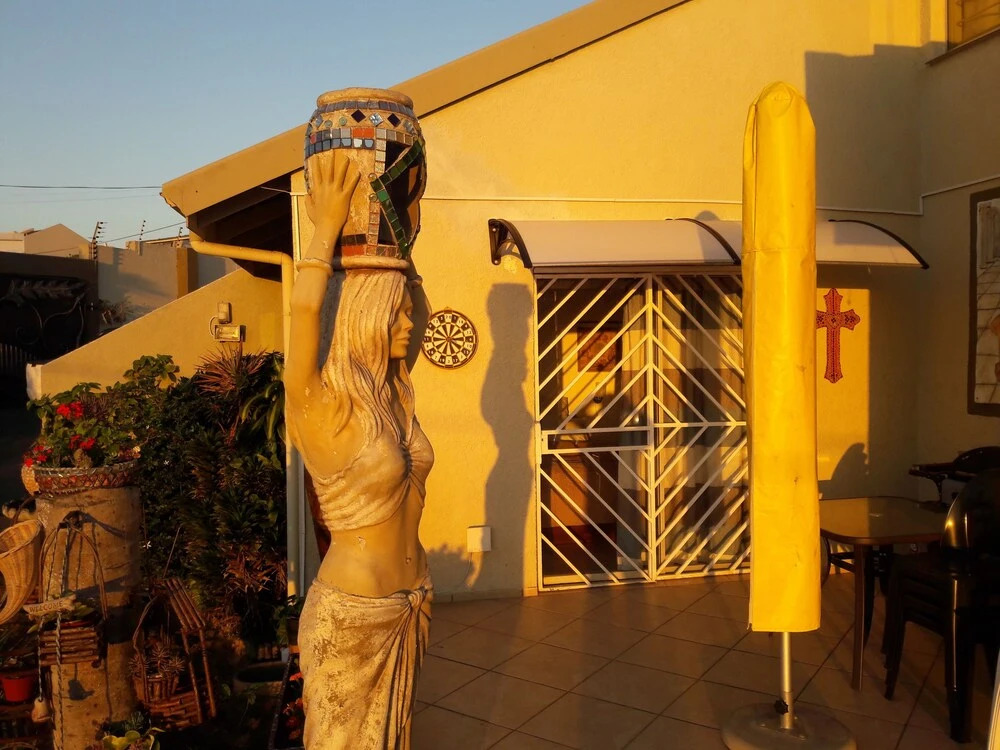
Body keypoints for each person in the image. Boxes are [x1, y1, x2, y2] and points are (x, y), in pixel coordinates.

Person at [284, 148, 434, 750]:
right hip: (352, 616)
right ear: (364, 321)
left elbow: (421, 313)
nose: (408, 326)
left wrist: (402, 245)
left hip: (411, 601)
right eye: (394, 317)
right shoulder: (322, 407)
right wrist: (326, 228)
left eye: (405, 315)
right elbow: (304, 311)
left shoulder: (392, 397)